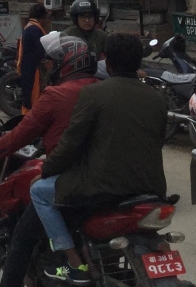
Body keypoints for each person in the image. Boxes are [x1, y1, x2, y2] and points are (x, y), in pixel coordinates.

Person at [29, 33, 168, 285]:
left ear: (108, 63)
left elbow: (70, 144)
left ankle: (73, 262)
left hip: (103, 187)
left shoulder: (93, 94)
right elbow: (156, 141)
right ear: (138, 63)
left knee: (39, 191)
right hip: (151, 187)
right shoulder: (157, 98)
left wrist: (46, 170)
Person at [0, 34, 102, 287]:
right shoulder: (103, 88)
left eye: (52, 62)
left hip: (72, 178)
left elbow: (23, 133)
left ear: (67, 63)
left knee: (21, 239)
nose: (49, 68)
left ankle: (69, 261)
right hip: (109, 176)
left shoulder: (57, 94)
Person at [17, 4, 49, 113]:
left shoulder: (29, 27)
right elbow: (41, 51)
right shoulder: (35, 29)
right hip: (33, 70)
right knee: (33, 98)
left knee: (28, 98)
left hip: (27, 68)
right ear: (43, 17)